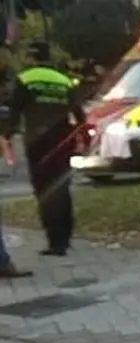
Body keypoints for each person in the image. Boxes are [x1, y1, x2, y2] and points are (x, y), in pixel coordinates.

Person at [6, 42, 86, 257]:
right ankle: (66, 238)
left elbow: (14, 112)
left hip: (37, 143)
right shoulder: (64, 80)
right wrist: (83, 140)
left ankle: (54, 242)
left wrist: (7, 136)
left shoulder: (26, 79)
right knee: (62, 188)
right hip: (62, 142)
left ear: (32, 58)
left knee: (44, 192)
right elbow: (80, 115)